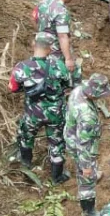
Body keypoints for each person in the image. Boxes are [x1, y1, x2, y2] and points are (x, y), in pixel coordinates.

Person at [10, 33, 73, 184]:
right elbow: (67, 85)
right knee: (57, 143)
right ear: (50, 49)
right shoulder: (59, 65)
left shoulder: (22, 67)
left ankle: (26, 165)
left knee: (26, 136)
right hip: (55, 113)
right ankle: (57, 177)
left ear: (33, 44)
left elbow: (13, 88)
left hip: (33, 113)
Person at [65, 74, 110, 216]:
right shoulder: (87, 116)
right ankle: (88, 211)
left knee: (89, 170)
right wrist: (86, 167)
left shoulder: (78, 91)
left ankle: (91, 172)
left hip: (70, 134)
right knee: (87, 179)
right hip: (81, 146)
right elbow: (83, 145)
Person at [33, 0, 81, 77]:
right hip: (54, 48)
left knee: (41, 68)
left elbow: (35, 17)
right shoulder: (61, 11)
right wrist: (68, 59)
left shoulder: (43, 2)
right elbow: (62, 36)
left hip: (41, 43)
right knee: (61, 73)